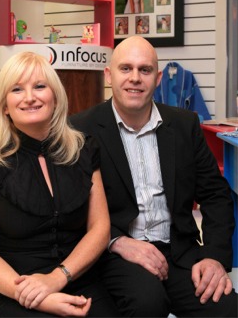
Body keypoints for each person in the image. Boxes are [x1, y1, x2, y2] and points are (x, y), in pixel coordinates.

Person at [70, 36, 238, 317]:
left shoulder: (185, 124)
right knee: (147, 304)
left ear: (158, 78)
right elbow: (72, 209)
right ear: (109, 75)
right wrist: (116, 242)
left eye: (144, 70)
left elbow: (216, 195)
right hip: (120, 253)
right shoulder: (80, 129)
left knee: (229, 309)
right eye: (125, 69)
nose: (135, 78)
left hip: (181, 252)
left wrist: (213, 257)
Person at [0, 52, 120, 317]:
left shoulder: (84, 149)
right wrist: (37, 298)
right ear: (4, 105)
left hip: (78, 279)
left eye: (39, 86)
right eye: (17, 89)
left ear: (55, 96)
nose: (29, 97)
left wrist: (58, 278)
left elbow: (99, 228)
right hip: (12, 290)